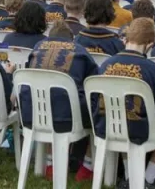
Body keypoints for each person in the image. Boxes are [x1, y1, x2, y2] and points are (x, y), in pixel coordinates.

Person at [95, 18, 155, 189]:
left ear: (126, 39)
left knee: (122, 122)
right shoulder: (153, 70)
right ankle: (148, 179)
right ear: (150, 44)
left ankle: (129, 176)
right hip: (143, 131)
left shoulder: (105, 65)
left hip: (107, 128)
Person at [21, 22, 98, 181]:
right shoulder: (80, 51)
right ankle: (87, 166)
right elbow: (94, 84)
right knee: (95, 107)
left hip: (32, 115)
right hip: (67, 119)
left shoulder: (37, 48)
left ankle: (50, 164)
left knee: (53, 100)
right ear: (72, 39)